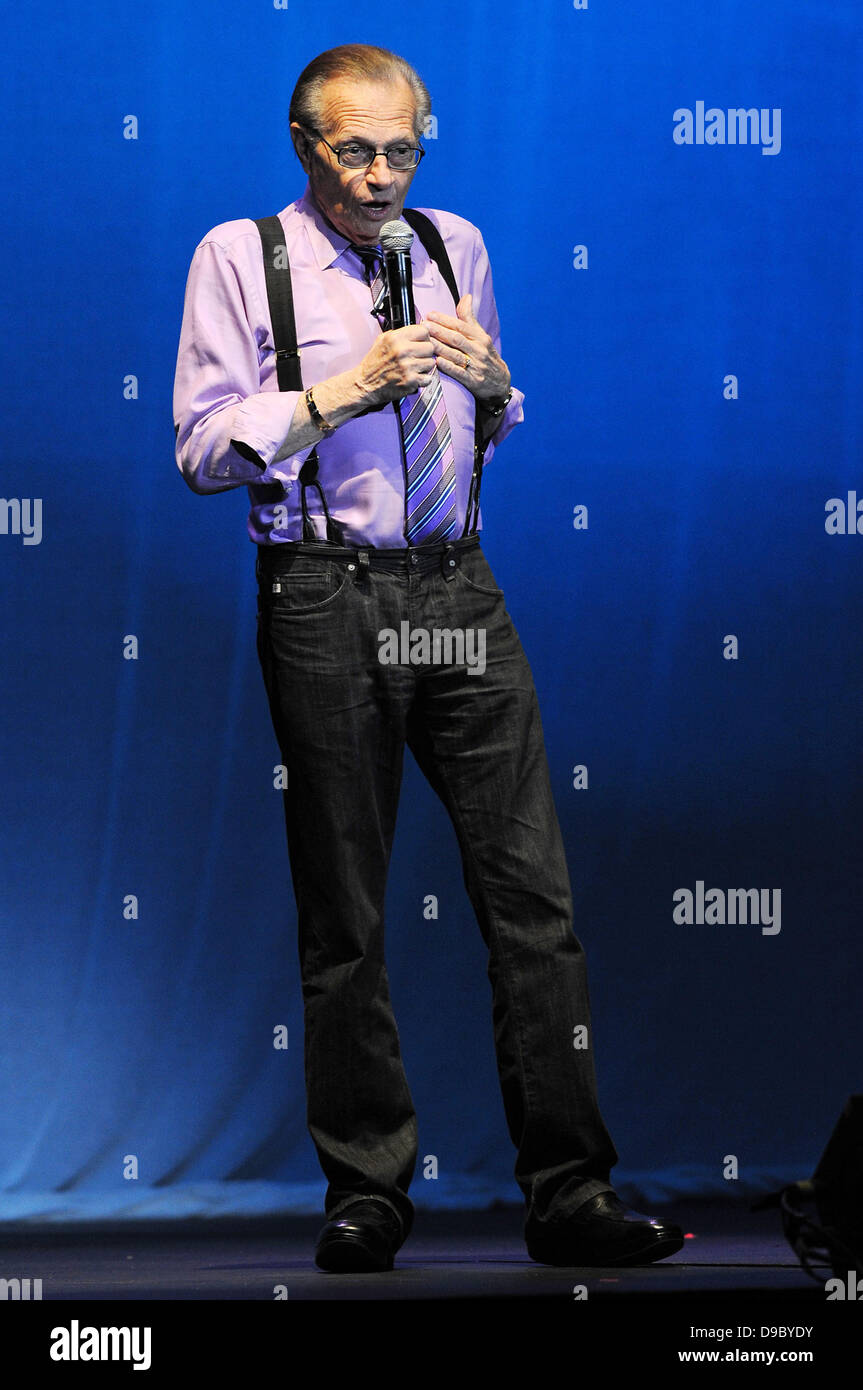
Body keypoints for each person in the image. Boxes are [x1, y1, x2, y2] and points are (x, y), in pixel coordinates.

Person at [173, 43, 684, 1274]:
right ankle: (367, 1192)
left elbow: (484, 420)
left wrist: (496, 385)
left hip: (456, 582)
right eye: (355, 150)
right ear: (304, 144)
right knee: (344, 911)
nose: (381, 174)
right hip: (323, 593)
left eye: (402, 148)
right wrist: (340, 393)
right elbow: (198, 447)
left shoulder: (455, 243)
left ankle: (570, 1190)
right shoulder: (242, 256)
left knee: (532, 902)